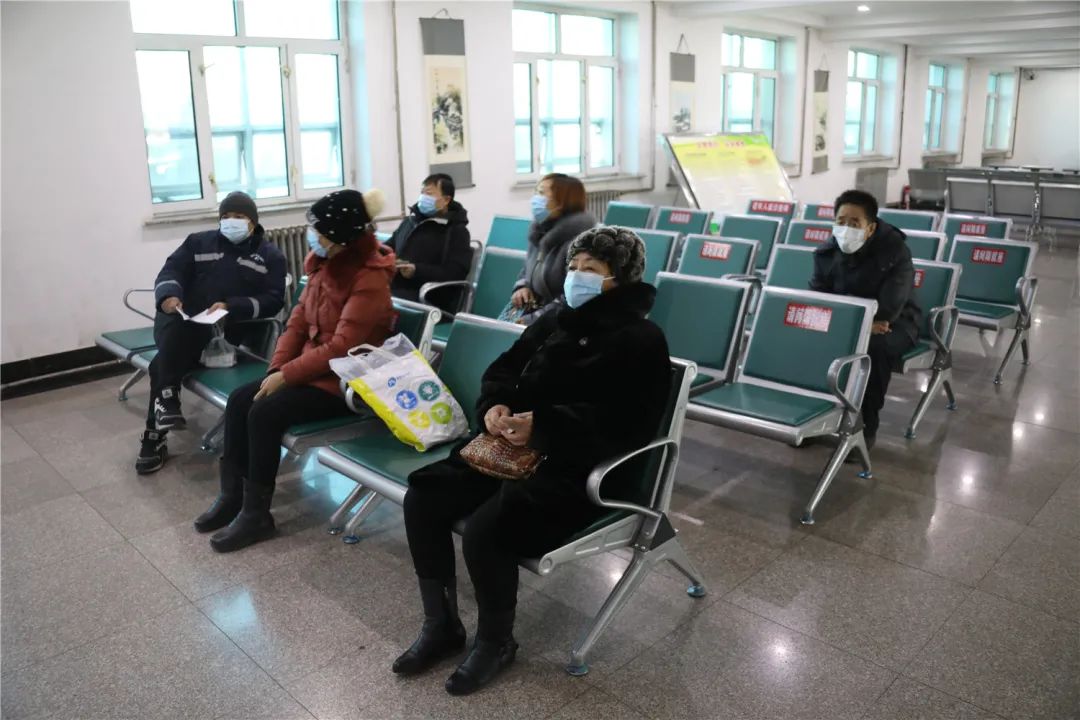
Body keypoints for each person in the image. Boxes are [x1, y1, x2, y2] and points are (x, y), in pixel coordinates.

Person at [394, 226, 671, 695]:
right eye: (574, 267)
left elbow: (629, 423)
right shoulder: (558, 319)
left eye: (591, 269)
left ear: (619, 279)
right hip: (513, 447)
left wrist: (544, 427)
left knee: (488, 529)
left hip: (578, 467)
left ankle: (496, 642)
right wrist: (495, 405)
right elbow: (504, 367)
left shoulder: (641, 339)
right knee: (424, 497)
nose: (577, 276)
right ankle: (441, 625)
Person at [193, 188, 398, 553]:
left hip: (347, 381)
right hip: (313, 371)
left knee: (264, 413)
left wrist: (286, 377)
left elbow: (342, 347)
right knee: (241, 400)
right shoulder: (323, 265)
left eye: (317, 229)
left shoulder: (369, 279)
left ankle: (257, 515)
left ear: (339, 236)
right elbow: (297, 323)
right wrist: (276, 370)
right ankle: (232, 496)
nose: (311, 235)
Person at [136, 191, 286, 475]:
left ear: (253, 222)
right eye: (226, 216)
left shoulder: (270, 256)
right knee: (179, 328)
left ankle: (158, 425)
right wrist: (169, 296)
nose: (231, 222)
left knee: (162, 363)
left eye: (239, 217)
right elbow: (170, 271)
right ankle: (165, 405)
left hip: (228, 334)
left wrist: (231, 306)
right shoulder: (198, 243)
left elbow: (273, 300)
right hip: (181, 322)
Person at [809, 189, 921, 449]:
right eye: (841, 221)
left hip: (896, 324)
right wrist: (847, 324)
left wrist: (849, 324)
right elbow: (818, 298)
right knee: (812, 337)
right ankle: (813, 417)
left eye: (854, 223)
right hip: (851, 320)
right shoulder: (826, 253)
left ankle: (864, 427)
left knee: (872, 349)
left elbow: (890, 308)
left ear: (870, 228)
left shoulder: (895, 251)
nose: (846, 229)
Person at [509, 173, 595, 325]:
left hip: (569, 322)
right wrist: (522, 287)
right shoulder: (540, 232)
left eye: (542, 193)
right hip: (541, 313)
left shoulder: (582, 244)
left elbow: (575, 297)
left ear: (561, 202)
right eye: (536, 192)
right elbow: (528, 268)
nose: (535, 199)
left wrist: (535, 319)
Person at [385, 173, 472, 314]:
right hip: (399, 289)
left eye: (429, 194)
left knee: (380, 305)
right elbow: (389, 247)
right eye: (422, 193)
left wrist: (417, 271)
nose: (423, 198)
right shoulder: (410, 222)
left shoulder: (456, 231)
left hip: (430, 297)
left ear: (446, 200)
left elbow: (455, 272)